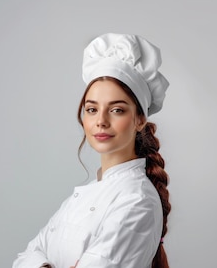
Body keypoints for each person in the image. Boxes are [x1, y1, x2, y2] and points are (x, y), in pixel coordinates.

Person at [12, 33, 171, 268]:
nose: (101, 121)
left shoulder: (137, 200)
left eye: (117, 110)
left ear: (139, 120)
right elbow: (25, 257)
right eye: (92, 109)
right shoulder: (85, 193)